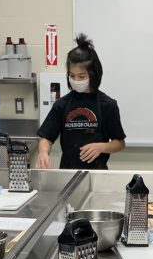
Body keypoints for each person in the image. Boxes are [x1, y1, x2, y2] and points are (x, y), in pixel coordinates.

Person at [35, 35, 125, 170]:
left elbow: (120, 143)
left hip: (97, 173)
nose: (76, 80)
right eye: (72, 76)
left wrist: (102, 147)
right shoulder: (62, 105)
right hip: (67, 173)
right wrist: (43, 152)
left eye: (82, 76)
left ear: (93, 74)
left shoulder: (108, 105)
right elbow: (46, 137)